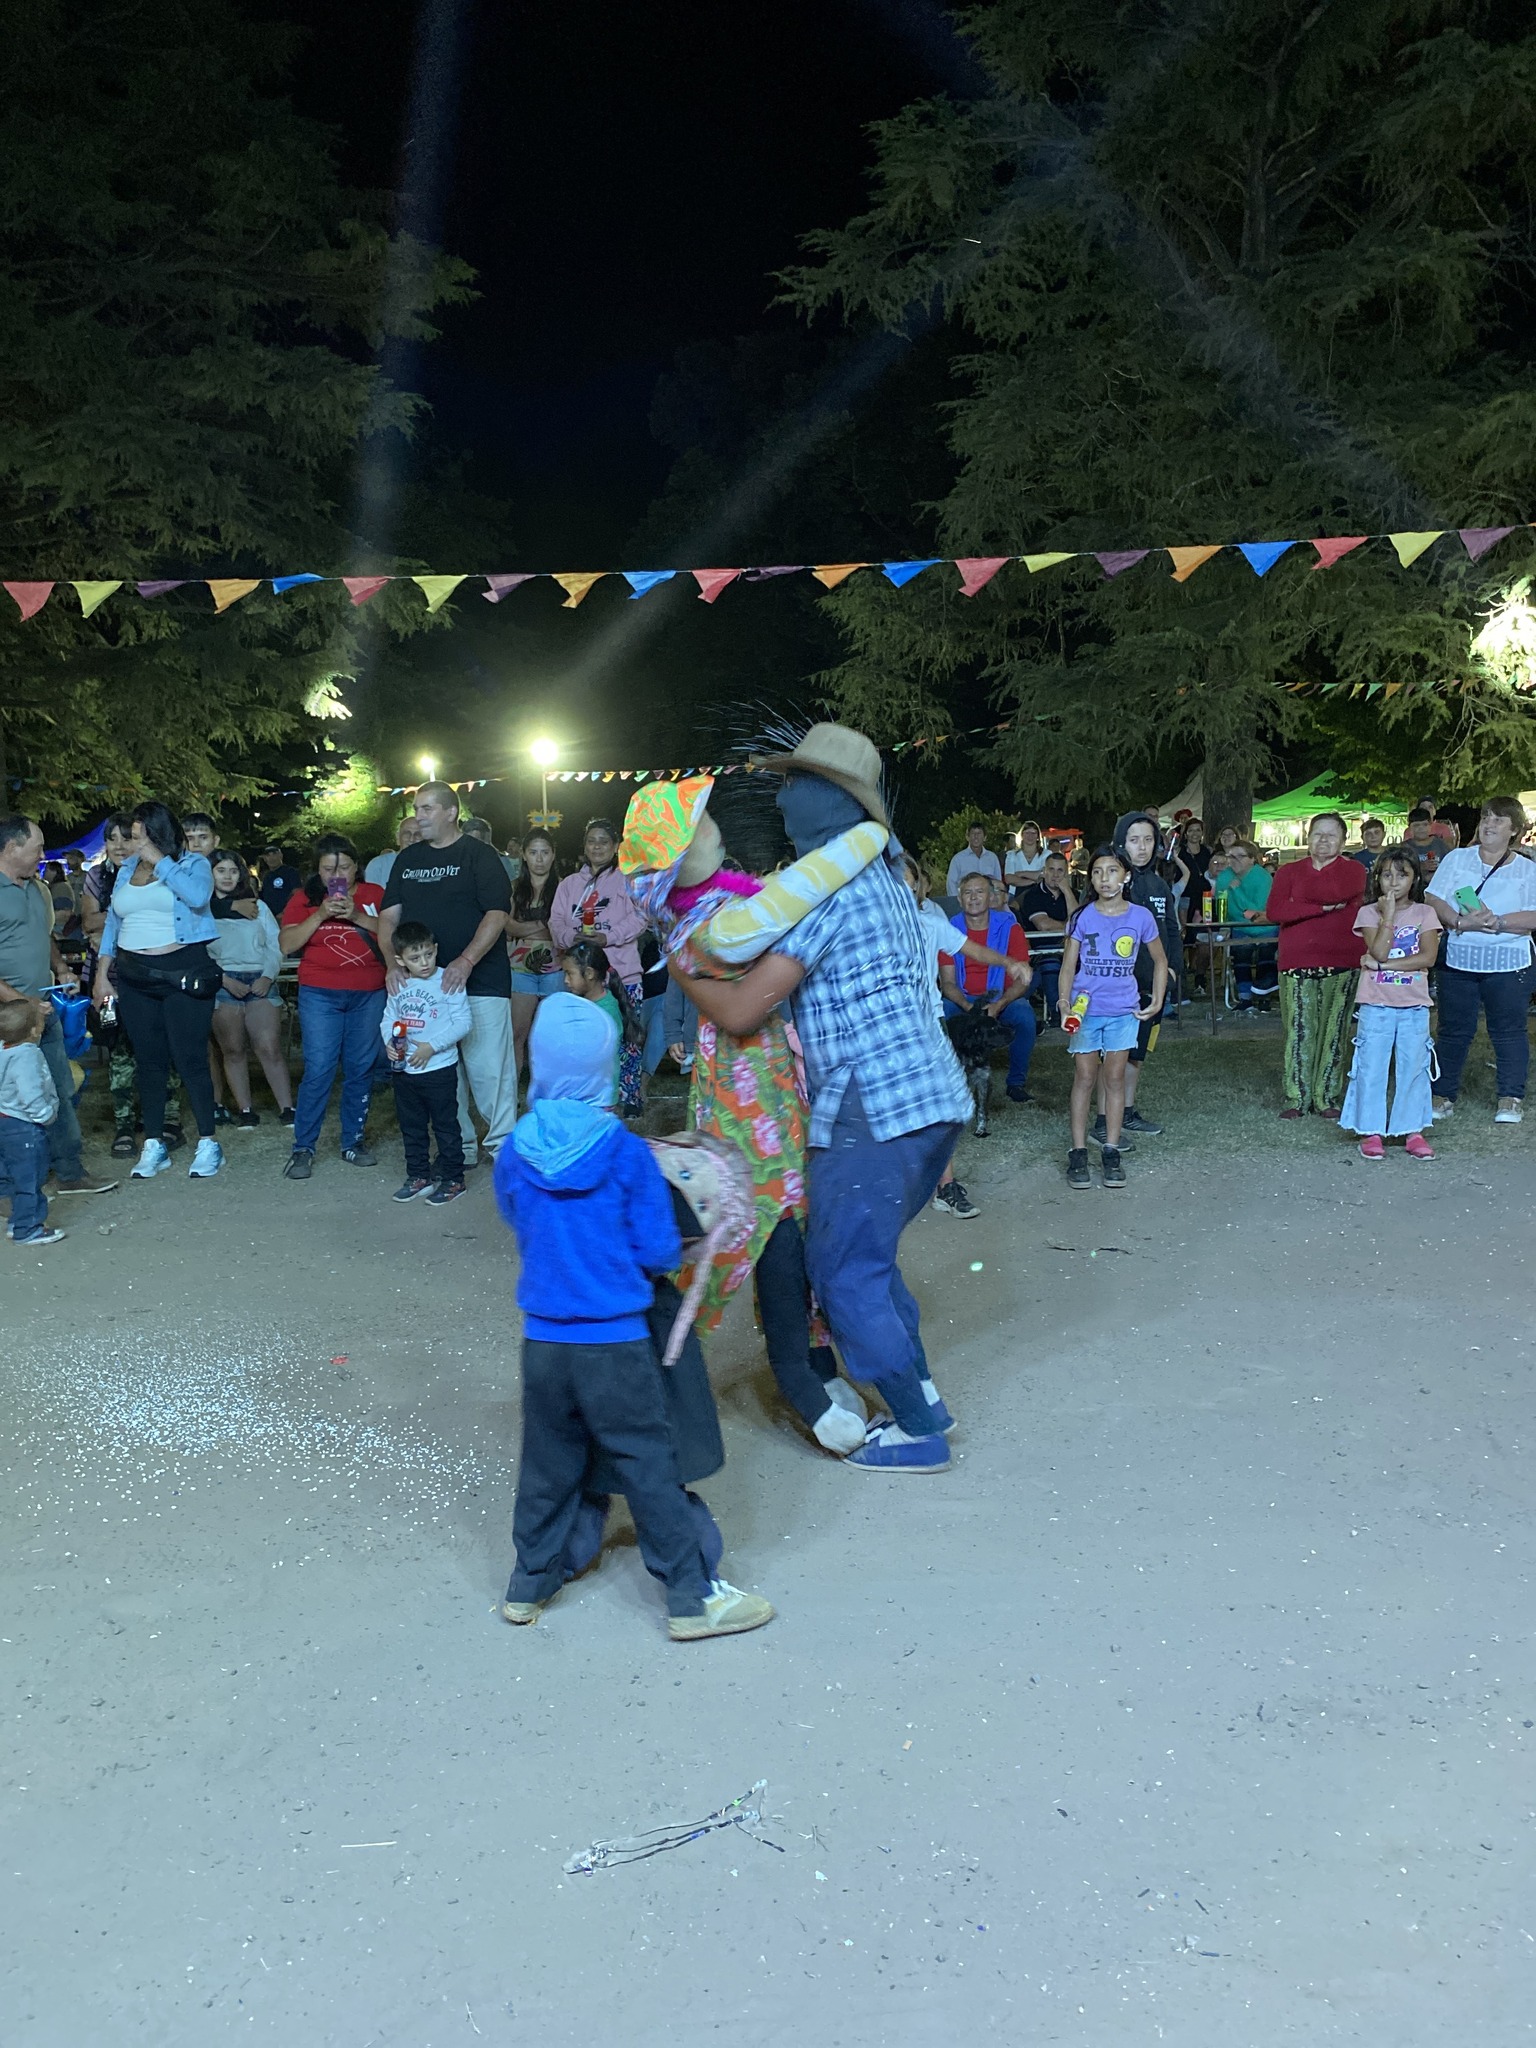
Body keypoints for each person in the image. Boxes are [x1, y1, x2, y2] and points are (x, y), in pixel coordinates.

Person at [674, 724, 973, 1473]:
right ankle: (923, 1396)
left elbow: (741, 1009)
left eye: (794, 783)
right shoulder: (884, 875)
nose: (780, 797)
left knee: (844, 1273)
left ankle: (917, 1432)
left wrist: (681, 963)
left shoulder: (828, 894)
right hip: (933, 1097)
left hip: (872, 1107)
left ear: (830, 800)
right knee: (871, 1261)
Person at [621, 775, 896, 1455]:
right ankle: (798, 1381)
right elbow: (782, 919)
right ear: (678, 856)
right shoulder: (702, 928)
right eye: (702, 822)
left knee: (798, 1225)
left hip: (777, 1093)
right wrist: (863, 842)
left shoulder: (724, 901)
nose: (716, 825)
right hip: (743, 1108)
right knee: (767, 1231)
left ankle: (818, 1364)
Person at [492, 995, 774, 1640]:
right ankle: (690, 1598)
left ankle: (527, 1586)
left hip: (543, 1341)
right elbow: (655, 1249)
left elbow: (516, 1217)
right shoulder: (624, 1152)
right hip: (616, 1342)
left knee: (546, 1463)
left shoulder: (514, 1150)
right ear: (604, 1070)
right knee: (648, 1463)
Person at [379, 781, 516, 1167]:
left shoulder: (480, 855)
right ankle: (460, 1150)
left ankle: (505, 1151)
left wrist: (466, 960)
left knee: (490, 1072)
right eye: (416, 809)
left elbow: (496, 914)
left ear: (451, 812)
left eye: (426, 809)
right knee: (443, 1073)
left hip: (481, 981)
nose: (418, 817)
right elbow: (388, 918)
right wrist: (391, 964)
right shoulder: (408, 860)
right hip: (425, 988)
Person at [93, 801, 223, 1180]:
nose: (131, 844)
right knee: (148, 1062)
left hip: (182, 973)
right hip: (135, 976)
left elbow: (197, 897)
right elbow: (113, 924)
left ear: (157, 833)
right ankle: (153, 1143)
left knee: (190, 1058)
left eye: (138, 836)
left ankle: (208, 1142)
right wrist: (102, 974)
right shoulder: (127, 870)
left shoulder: (192, 864)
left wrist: (159, 860)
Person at [902, 854, 1028, 1219]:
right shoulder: (872, 925)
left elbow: (971, 949)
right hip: (890, 1026)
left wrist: (1008, 962)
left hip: (928, 1022)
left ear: (919, 885)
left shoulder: (931, 922)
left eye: (908, 880)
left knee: (941, 1104)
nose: (902, 888)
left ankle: (946, 1186)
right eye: (894, 881)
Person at [0, 816, 118, 1198]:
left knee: (59, 1088)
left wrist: (61, 967)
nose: (42, 856)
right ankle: (9, 1190)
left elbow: (43, 934)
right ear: (12, 848)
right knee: (9, 1100)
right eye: (37, 848)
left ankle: (68, 1171)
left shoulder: (37, 889)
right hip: (9, 1017)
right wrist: (19, 1001)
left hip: (44, 1007)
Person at [1058, 845, 1167, 1191]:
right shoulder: (1082, 917)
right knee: (1085, 1077)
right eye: (1097, 872)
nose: (1104, 879)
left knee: (1115, 1078)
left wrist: (1157, 999)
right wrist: (1064, 1002)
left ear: (1126, 876)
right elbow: (1068, 966)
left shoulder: (1140, 917)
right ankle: (1078, 1152)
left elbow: (1160, 960)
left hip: (1123, 1010)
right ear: (1090, 879)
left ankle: (1111, 1150)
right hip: (1085, 1010)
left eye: (1112, 871)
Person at [278, 834, 386, 1177]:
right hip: (320, 993)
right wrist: (320, 914)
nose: (336, 874)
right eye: (328, 869)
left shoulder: (374, 895)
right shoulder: (304, 898)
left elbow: (393, 935)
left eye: (344, 867)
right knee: (320, 1067)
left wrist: (356, 915)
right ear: (317, 870)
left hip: (368, 992)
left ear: (357, 867)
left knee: (360, 1067)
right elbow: (287, 944)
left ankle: (352, 1141)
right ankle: (303, 1147)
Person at [81, 814, 187, 1157]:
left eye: (126, 838)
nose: (118, 846)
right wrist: (120, 916)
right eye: (111, 839)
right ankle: (124, 1123)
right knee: (121, 1053)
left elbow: (173, 913)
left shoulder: (159, 870)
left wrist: (118, 917)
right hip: (110, 977)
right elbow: (89, 921)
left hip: (151, 973)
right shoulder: (97, 876)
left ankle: (169, 1119)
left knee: (163, 1048)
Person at [1426, 798, 1536, 1124]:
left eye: (1499, 820)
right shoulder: (1457, 859)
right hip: (1459, 960)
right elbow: (1433, 897)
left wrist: (1498, 922)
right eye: (1486, 817)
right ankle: (1442, 1094)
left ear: (1514, 830)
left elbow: (1533, 915)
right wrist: (1459, 922)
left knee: (1508, 1031)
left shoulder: (1527, 869)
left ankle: (1510, 1097)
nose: (1489, 824)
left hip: (1509, 963)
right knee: (1453, 1030)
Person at [1339, 849, 1441, 1160]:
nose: (1394, 882)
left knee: (1413, 1066)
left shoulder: (1425, 913)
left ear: (1414, 879)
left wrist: (1382, 967)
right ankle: (1370, 1130)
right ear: (1377, 879)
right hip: (1376, 1003)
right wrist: (1389, 916)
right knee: (1371, 1067)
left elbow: (1428, 957)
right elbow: (1380, 950)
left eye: (1402, 875)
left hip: (1413, 1003)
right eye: (1387, 875)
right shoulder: (1369, 913)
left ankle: (1412, 1129)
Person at [1265, 811, 1367, 1119]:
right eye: (1317, 834)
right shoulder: (1288, 871)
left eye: (1331, 835)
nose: (1323, 840)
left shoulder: (1354, 870)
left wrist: (1299, 904)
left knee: (1334, 1030)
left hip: (1342, 959)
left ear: (1343, 841)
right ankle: (1297, 1096)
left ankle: (1326, 1096)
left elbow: (1337, 892)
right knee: (1298, 1029)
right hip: (1296, 960)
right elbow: (1275, 911)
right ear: (1307, 839)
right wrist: (1324, 908)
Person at [549, 817, 650, 1115]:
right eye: (591, 841)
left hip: (623, 974)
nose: (597, 847)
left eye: (604, 842)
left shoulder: (629, 880)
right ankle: (591, 1096)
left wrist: (609, 937)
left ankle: (630, 1097)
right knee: (587, 1041)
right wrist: (571, 937)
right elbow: (556, 921)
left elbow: (641, 917)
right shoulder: (569, 884)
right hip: (581, 979)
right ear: (584, 846)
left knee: (628, 1038)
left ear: (616, 846)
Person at [1098, 812, 1182, 1146]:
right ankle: (1103, 1122)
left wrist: (1172, 971)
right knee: (1112, 1059)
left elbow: (1172, 930)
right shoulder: (1113, 882)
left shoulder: (1159, 885)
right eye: (1134, 840)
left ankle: (1127, 1112)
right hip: (1119, 991)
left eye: (1148, 840)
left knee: (1136, 1055)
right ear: (1121, 842)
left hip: (1152, 988)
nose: (1142, 847)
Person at [381, 918, 471, 1202]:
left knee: (446, 1126)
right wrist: (390, 1043)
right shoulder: (399, 984)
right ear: (400, 960)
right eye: (415, 958)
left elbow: (463, 1023)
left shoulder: (447, 980)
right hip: (405, 1070)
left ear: (435, 949)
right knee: (412, 1127)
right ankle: (419, 1175)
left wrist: (431, 1047)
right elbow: (389, 1019)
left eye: (428, 954)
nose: (424, 962)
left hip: (438, 1069)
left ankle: (454, 1179)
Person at [207, 851, 293, 1126]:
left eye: (233, 871)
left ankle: (287, 1108)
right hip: (224, 983)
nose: (228, 877)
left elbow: (275, 944)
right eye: (221, 871)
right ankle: (245, 1110)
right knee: (232, 1050)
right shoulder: (202, 911)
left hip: (260, 979)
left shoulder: (258, 907)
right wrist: (223, 979)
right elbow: (199, 952)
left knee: (269, 1047)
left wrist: (268, 976)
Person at [941, 871, 1036, 1102]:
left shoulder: (1010, 928)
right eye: (967, 893)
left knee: (1024, 1015)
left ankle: (1016, 1083)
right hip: (963, 999)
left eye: (979, 892)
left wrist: (999, 1004)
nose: (973, 898)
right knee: (941, 1013)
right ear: (959, 899)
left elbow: (1022, 980)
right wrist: (969, 1008)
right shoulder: (949, 929)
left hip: (1000, 999)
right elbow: (948, 983)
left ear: (991, 897)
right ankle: (947, 1085)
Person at [0, 995, 64, 1245]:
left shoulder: (3, 1050)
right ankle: (29, 1229)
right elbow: (30, 1093)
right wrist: (45, 1115)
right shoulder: (27, 1055)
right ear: (35, 1030)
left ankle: (17, 1221)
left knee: (14, 1177)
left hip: (4, 1122)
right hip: (24, 1126)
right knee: (31, 1178)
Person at [507, 828, 564, 1085]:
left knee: (551, 1034)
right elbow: (508, 925)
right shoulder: (514, 888)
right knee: (517, 1033)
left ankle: (550, 1088)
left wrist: (524, 928)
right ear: (524, 855)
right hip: (520, 969)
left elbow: (562, 928)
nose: (539, 859)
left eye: (544, 852)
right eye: (533, 852)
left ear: (553, 855)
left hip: (557, 968)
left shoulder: (563, 887)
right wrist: (544, 926)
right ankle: (511, 1090)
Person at [1208, 840, 1279, 1009]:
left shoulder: (1263, 877)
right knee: (1241, 953)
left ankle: (1263, 996)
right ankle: (1245, 997)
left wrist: (1236, 891)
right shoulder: (1224, 876)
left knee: (1266, 953)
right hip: (1239, 924)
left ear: (1252, 859)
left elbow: (1257, 910)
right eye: (1231, 856)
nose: (1234, 860)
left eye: (1240, 856)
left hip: (1264, 925)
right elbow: (1222, 905)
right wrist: (1227, 924)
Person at [560, 938, 636, 1092]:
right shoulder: (580, 1003)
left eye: (570, 974)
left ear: (589, 973)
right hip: (583, 1086)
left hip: (599, 1091)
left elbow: (598, 1051)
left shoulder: (607, 1010)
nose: (566, 980)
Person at [1017, 851, 1076, 1023]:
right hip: (1040, 949)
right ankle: (1057, 1011)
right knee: (1050, 961)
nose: (1055, 875)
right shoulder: (1032, 895)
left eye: (1060, 871)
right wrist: (1069, 926)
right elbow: (1043, 925)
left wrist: (1067, 891)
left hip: (1070, 947)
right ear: (1044, 871)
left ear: (1066, 874)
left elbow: (1079, 921)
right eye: (1051, 869)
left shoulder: (1072, 894)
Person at [945, 820, 1001, 899]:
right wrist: (956, 901)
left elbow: (998, 881)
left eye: (979, 833)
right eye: (973, 833)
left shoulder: (992, 858)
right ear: (967, 837)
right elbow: (951, 883)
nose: (976, 836)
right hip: (966, 901)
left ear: (985, 837)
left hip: (988, 901)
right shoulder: (958, 859)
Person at [363, 815, 421, 890]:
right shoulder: (378, 865)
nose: (412, 839)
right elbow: (370, 895)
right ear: (397, 837)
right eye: (407, 834)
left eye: (418, 835)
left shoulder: (433, 866)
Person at [257, 844, 303, 918]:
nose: (272, 858)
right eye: (268, 855)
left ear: (281, 856)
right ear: (265, 859)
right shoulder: (266, 876)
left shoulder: (290, 872)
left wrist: (284, 912)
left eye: (274, 854)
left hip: (286, 916)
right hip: (269, 916)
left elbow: (297, 893)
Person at [1004, 821, 1049, 894]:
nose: (1030, 836)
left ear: (1038, 836)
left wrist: (1021, 874)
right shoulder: (1012, 855)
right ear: (1022, 835)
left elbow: (1046, 874)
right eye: (1027, 833)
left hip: (1041, 893)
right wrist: (1034, 881)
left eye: (1033, 833)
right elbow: (1009, 879)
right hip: (1016, 895)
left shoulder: (1046, 854)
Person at [1403, 807, 1443, 880]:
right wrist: (1419, 867)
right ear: (1409, 828)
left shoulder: (1441, 845)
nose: (1421, 828)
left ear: (1430, 826)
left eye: (1425, 824)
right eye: (1416, 825)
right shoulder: (1403, 848)